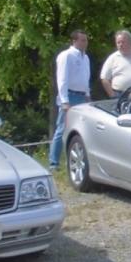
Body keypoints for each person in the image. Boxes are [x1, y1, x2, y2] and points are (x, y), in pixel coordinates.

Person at [48, 30, 91, 170]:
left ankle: (77, 159)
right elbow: (62, 79)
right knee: (62, 128)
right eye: (82, 40)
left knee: (81, 129)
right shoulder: (66, 56)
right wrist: (64, 100)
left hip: (82, 96)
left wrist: (87, 94)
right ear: (74, 41)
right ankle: (54, 162)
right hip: (70, 95)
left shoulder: (86, 58)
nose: (85, 43)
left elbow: (86, 77)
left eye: (86, 40)